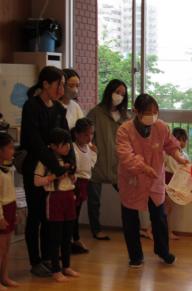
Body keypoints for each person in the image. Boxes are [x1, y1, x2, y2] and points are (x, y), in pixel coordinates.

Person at [116, 94, 188, 268]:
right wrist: (143, 168)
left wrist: (178, 157)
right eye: (148, 112)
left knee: (160, 216)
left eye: (156, 112)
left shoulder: (161, 127)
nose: (153, 116)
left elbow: (170, 144)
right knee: (130, 218)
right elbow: (125, 155)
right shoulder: (124, 130)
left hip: (155, 179)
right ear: (136, 112)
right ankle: (135, 256)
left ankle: (163, 251)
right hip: (132, 179)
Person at [20, 66, 71, 277]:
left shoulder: (59, 109)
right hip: (36, 167)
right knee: (37, 215)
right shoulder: (31, 106)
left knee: (52, 216)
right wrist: (56, 166)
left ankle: (51, 258)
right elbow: (35, 143)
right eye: (58, 84)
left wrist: (68, 164)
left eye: (63, 85)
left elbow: (66, 138)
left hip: (56, 168)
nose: (61, 89)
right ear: (45, 84)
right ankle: (35, 261)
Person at [33, 128, 79, 282]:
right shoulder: (45, 161)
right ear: (52, 146)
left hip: (68, 198)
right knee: (56, 237)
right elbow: (37, 181)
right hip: (54, 199)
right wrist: (53, 176)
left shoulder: (69, 160)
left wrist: (72, 177)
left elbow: (73, 178)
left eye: (68, 144)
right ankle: (55, 269)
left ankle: (66, 266)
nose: (67, 147)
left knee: (67, 236)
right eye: (63, 144)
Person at [86, 79, 129, 240]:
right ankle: (96, 230)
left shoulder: (125, 116)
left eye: (123, 94)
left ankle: (132, 227)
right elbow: (86, 134)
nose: (119, 96)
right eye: (117, 92)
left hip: (119, 164)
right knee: (94, 200)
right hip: (97, 163)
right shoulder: (96, 112)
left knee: (128, 197)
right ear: (109, 92)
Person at [71, 118, 97, 254]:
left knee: (77, 213)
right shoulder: (73, 148)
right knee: (72, 214)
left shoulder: (88, 147)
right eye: (86, 134)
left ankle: (75, 239)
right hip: (75, 183)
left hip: (84, 183)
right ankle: (73, 239)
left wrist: (94, 152)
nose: (89, 137)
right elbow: (76, 168)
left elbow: (90, 165)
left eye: (91, 134)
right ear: (77, 134)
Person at [0, 133, 20, 288]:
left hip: (10, 208)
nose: (13, 151)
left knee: (6, 248)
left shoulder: (8, 168)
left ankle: (4, 277)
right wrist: (0, 217)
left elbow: (11, 192)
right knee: (0, 249)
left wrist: (16, 211)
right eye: (10, 148)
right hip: (1, 212)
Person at [164, 127, 190, 240]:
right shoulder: (168, 153)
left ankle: (153, 230)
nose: (182, 143)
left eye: (184, 140)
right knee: (167, 207)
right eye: (179, 140)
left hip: (176, 182)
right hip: (167, 180)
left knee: (168, 208)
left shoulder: (184, 155)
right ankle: (165, 232)